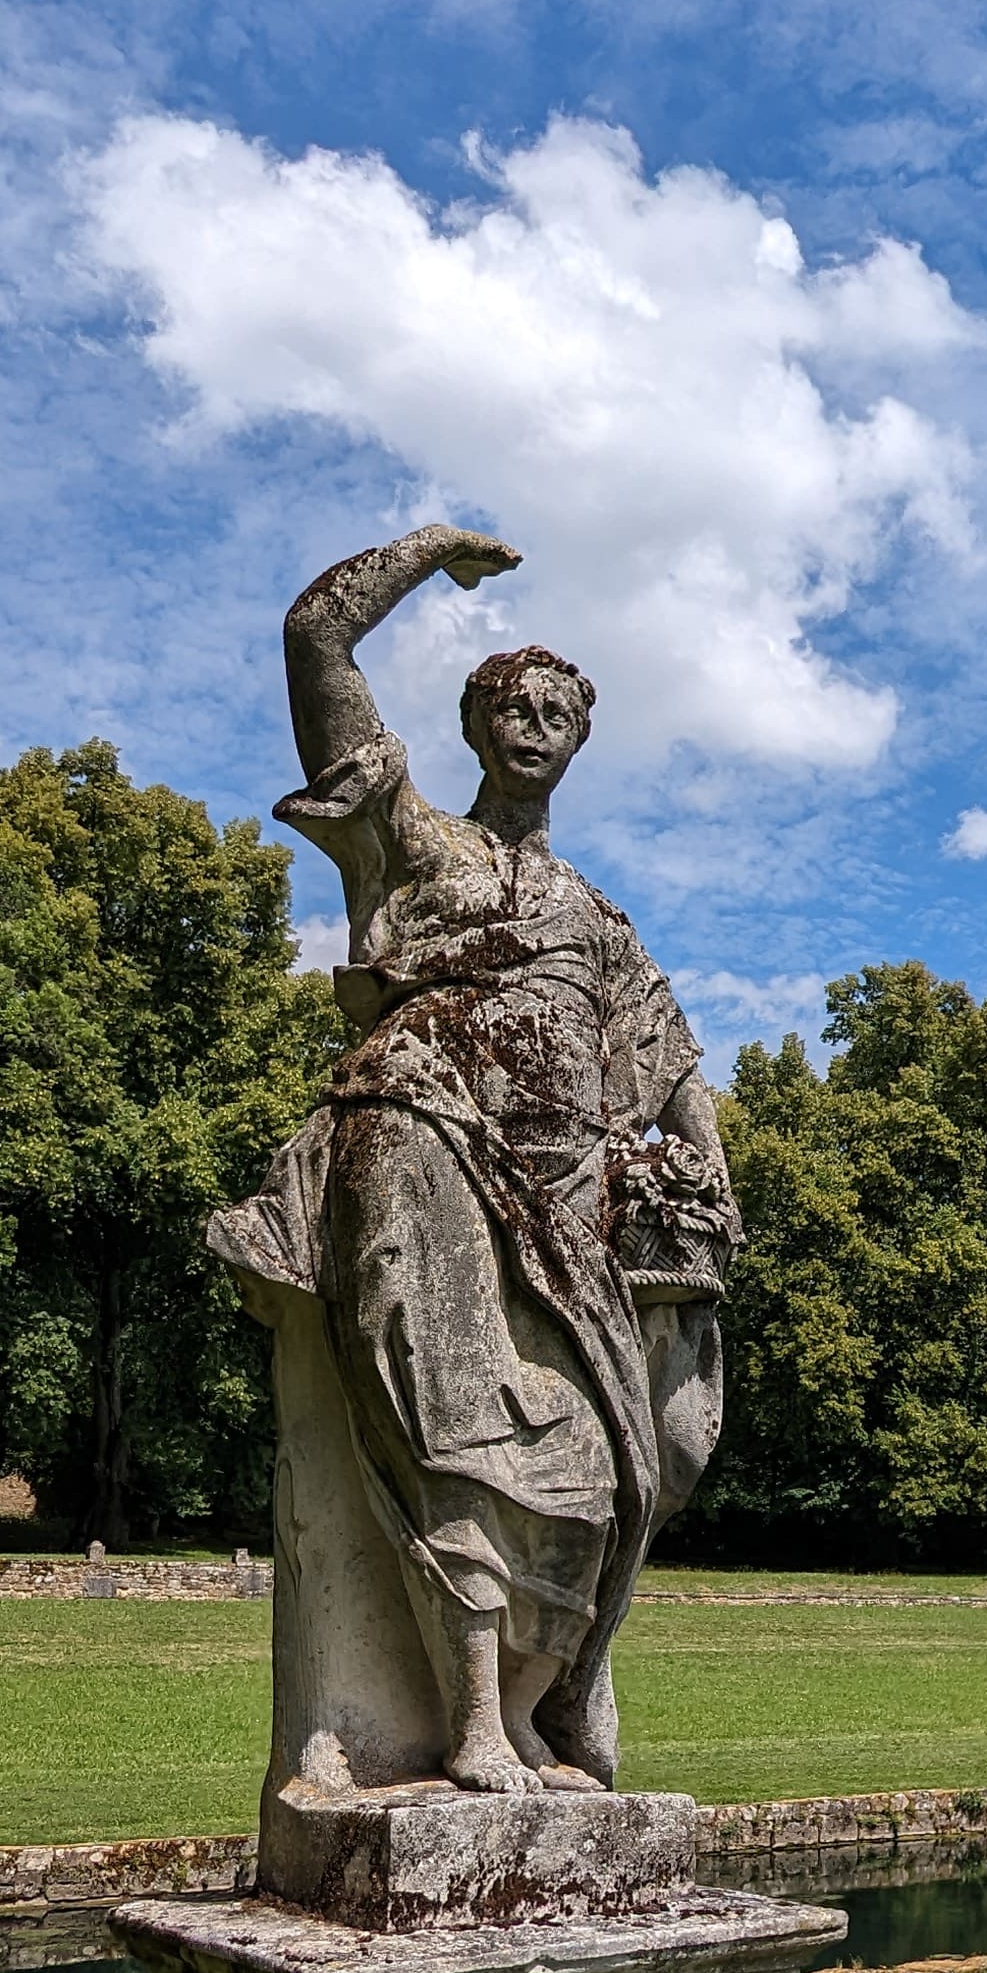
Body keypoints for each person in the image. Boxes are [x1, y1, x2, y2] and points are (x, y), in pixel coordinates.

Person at [210, 524, 739, 1792]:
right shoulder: (414, 837)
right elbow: (314, 636)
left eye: (558, 710)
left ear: (580, 739)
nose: (535, 723)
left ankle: (547, 1712)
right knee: (452, 1429)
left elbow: (671, 1068)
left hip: (570, 1199)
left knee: (610, 1467)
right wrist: (430, 551)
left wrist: (707, 1184)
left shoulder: (594, 915)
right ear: (475, 723)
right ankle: (474, 1729)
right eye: (513, 703)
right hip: (417, 1133)